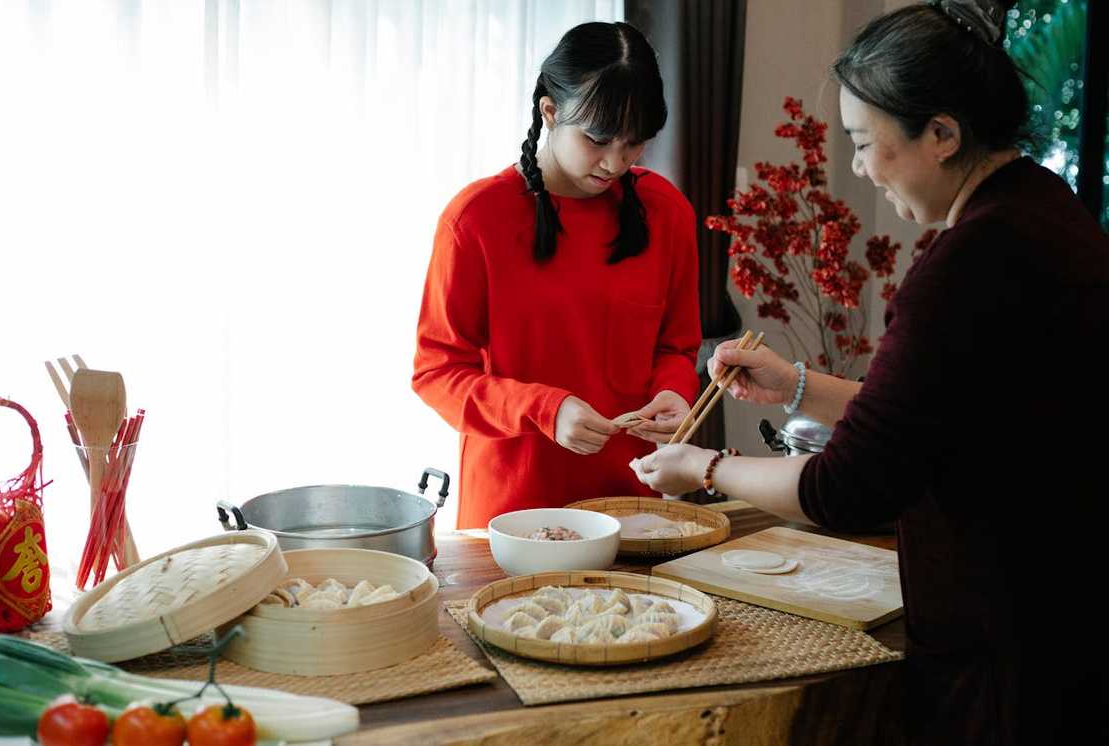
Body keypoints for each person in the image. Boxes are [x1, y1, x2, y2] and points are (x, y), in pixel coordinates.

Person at [631, 1, 1108, 743]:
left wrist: (705, 464)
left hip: (1007, 641)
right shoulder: (1044, 209)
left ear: (943, 133)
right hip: (1063, 610)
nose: (857, 167)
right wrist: (797, 386)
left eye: (864, 142)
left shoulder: (970, 262)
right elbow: (942, 408)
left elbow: (845, 487)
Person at [413, 22, 701, 530]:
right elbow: (438, 374)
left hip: (632, 509)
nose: (616, 162)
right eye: (597, 139)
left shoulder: (666, 213)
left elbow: (675, 347)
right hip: (511, 516)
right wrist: (544, 408)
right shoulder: (476, 219)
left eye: (635, 143)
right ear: (550, 111)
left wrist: (676, 392)